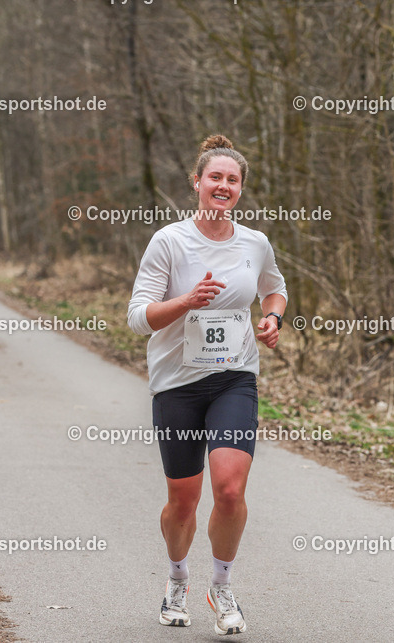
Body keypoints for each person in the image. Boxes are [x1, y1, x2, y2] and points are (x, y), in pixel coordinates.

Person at [128, 135, 287, 635]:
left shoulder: (254, 243)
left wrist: (273, 319)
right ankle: (177, 579)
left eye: (232, 180)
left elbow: (274, 288)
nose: (223, 186)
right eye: (214, 177)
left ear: (240, 189)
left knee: (230, 489)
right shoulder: (169, 242)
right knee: (183, 501)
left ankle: (222, 586)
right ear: (197, 183)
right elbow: (138, 318)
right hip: (176, 383)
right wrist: (187, 302)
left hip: (234, 378)